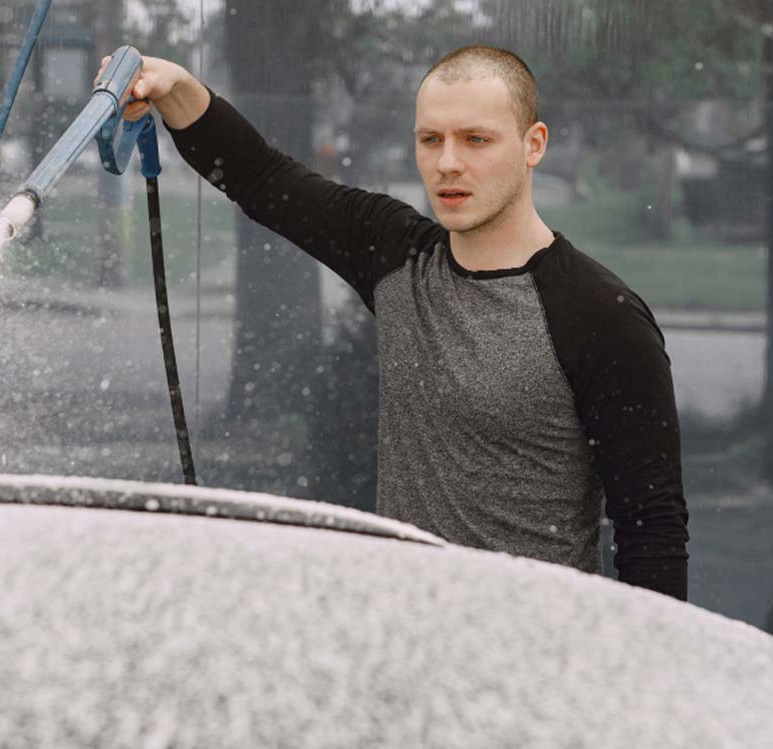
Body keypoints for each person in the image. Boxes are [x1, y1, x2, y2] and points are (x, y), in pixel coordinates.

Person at [103, 44, 689, 601]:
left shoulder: (601, 316)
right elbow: (261, 177)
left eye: (476, 140)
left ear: (533, 144)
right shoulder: (399, 257)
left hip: (536, 667)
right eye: (430, 139)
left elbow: (652, 533)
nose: (448, 162)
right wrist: (174, 86)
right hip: (404, 643)